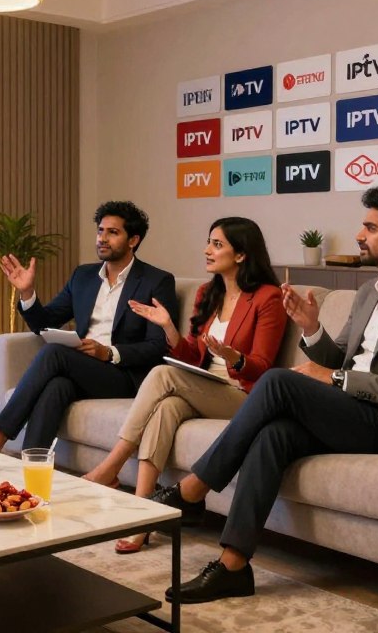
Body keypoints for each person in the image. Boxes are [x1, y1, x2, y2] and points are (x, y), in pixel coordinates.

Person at [155, 186, 378, 604]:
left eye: (370, 227)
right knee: (275, 436)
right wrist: (311, 328)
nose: (360, 235)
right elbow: (340, 356)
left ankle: (194, 487)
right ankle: (233, 566)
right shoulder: (370, 292)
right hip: (347, 411)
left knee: (277, 381)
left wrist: (334, 378)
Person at [84, 217, 287, 553]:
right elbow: (192, 357)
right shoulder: (209, 293)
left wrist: (233, 357)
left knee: (162, 375)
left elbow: (263, 367)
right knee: (166, 407)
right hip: (204, 386)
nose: (207, 250)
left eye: (217, 244)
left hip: (244, 396)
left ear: (241, 254)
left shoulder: (268, 298)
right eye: (209, 242)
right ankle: (144, 517)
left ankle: (112, 464)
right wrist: (168, 329)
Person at [0, 201, 178, 452]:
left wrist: (109, 352)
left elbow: (159, 346)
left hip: (124, 375)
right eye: (100, 231)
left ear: (133, 240)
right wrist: (27, 293)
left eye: (113, 232)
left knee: (54, 352)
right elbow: (44, 324)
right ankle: (30, 466)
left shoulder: (157, 281)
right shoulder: (83, 276)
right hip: (83, 367)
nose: (102, 238)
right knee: (57, 387)